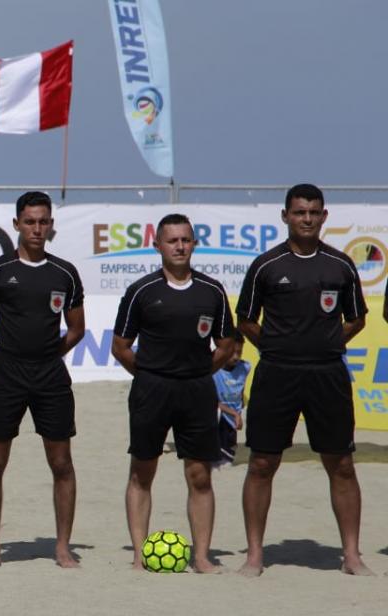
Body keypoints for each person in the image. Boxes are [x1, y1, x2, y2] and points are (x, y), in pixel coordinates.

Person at [236, 183, 372, 577]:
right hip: (276, 373)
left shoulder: (340, 265)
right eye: (299, 212)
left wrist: (327, 343)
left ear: (324, 216)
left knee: (342, 464)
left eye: (314, 212)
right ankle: (255, 555)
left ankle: (351, 555)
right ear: (285, 216)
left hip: (327, 374)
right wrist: (277, 345)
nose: (307, 219)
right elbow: (245, 319)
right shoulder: (266, 265)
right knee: (262, 462)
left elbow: (358, 318)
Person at [0, 191, 85, 569]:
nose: (37, 228)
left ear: (51, 225)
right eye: (30, 221)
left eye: (43, 221)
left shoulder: (64, 272)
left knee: (62, 462)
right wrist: (1, 357)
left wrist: (48, 355)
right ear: (16, 224)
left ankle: (62, 547)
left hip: (50, 374)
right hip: (7, 374)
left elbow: (77, 329)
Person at [111, 214, 233, 574]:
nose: (179, 246)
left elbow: (225, 345)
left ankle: (201, 557)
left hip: (196, 390)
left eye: (186, 240)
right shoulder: (141, 291)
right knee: (142, 471)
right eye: (172, 240)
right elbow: (121, 347)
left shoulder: (212, 291)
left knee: (200, 475)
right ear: (158, 246)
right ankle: (138, 554)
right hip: (152, 390)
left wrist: (195, 373)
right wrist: (151, 373)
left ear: (194, 244)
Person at [213, 333, 251, 467]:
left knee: (228, 455)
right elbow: (212, 402)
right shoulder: (214, 369)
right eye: (231, 352)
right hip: (219, 414)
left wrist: (238, 412)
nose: (236, 356)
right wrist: (234, 413)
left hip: (233, 418)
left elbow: (240, 391)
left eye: (239, 352)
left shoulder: (244, 368)